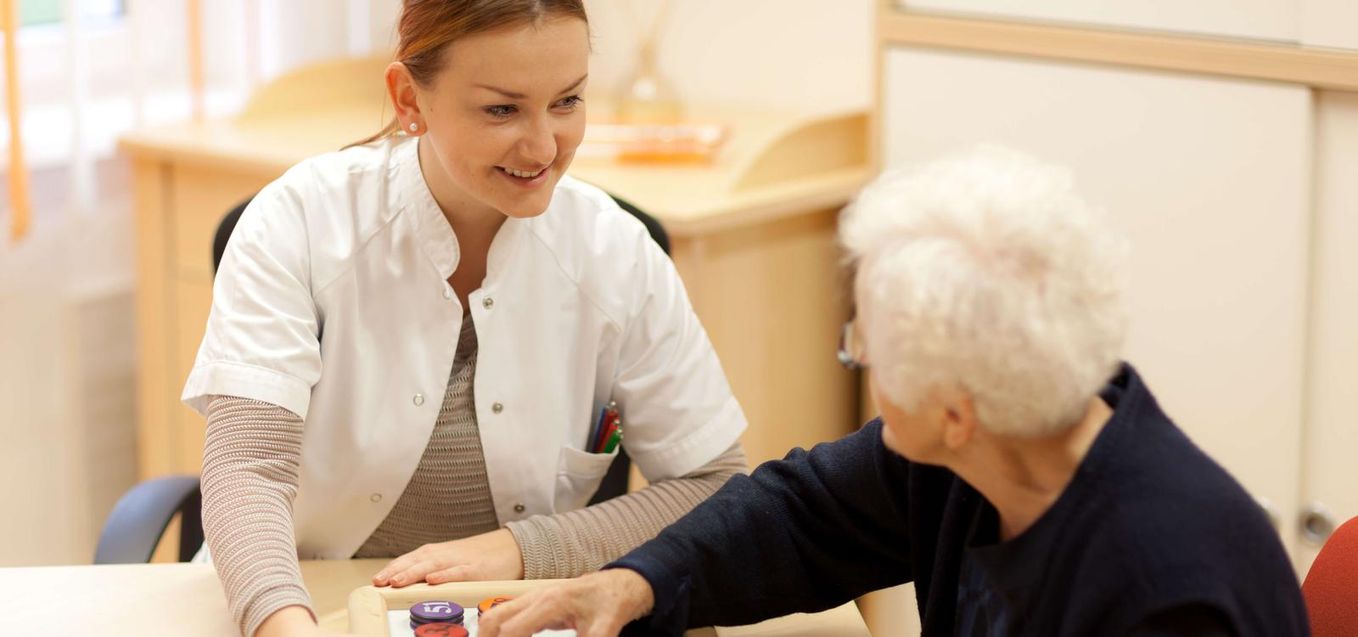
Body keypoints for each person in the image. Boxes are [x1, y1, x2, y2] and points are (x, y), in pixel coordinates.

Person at [476, 147, 1311, 637]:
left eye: (860, 349)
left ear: (954, 412)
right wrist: (634, 583)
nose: (858, 362)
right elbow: (799, 515)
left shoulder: (1169, 589)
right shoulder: (985, 447)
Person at [181, 2, 750, 636]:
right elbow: (247, 470)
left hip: (529, 613)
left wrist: (521, 549)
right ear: (409, 99)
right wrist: (283, 624)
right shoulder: (298, 223)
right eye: (501, 109)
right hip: (307, 600)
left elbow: (712, 484)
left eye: (567, 101)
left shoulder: (615, 251)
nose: (543, 147)